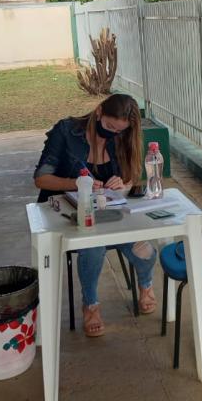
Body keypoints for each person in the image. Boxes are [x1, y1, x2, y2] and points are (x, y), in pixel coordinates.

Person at [33, 94, 158, 337]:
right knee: (93, 246)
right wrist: (78, 183)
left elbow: (132, 177)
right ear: (99, 112)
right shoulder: (66, 132)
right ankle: (90, 305)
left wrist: (122, 182)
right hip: (69, 215)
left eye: (119, 131)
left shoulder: (122, 136)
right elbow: (41, 178)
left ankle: (146, 286)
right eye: (110, 127)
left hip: (109, 214)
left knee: (145, 247)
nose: (112, 134)